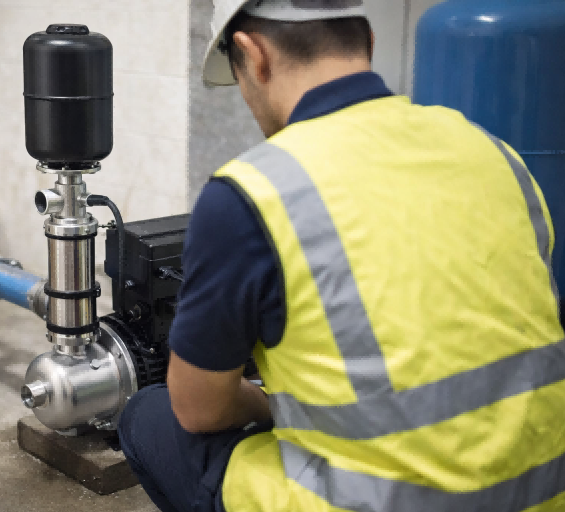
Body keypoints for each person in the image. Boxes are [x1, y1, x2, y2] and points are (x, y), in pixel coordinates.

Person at [118, 0, 565, 511]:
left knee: (148, 415)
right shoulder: (495, 153)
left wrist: (267, 403)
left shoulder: (254, 192)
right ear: (368, 44)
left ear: (252, 55)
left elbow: (199, 409)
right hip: (541, 494)